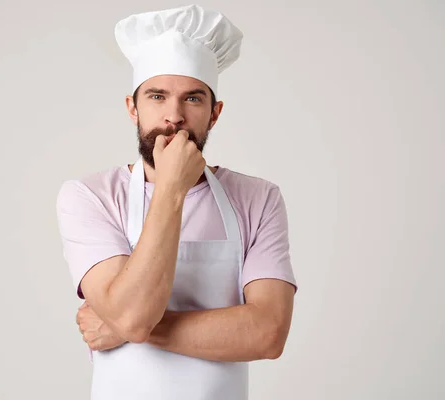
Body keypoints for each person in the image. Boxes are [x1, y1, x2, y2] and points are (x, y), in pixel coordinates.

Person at [55, 4, 298, 399]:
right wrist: (171, 188)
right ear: (133, 107)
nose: (174, 116)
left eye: (193, 99)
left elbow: (268, 334)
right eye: (156, 96)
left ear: (214, 114)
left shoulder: (258, 199)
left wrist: (122, 326)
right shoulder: (91, 197)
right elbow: (134, 315)